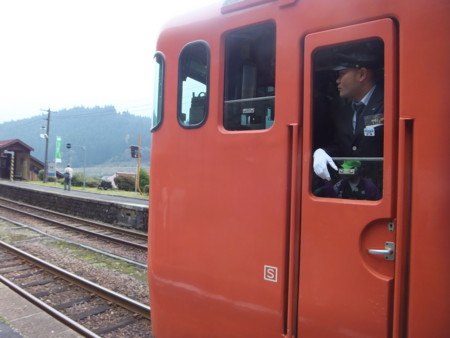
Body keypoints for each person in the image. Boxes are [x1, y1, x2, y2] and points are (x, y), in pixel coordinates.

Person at [313, 41, 384, 182]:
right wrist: (322, 152)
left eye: (342, 74)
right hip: (353, 191)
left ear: (362, 74)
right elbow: (341, 146)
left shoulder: (389, 103)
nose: (337, 81)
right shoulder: (344, 113)